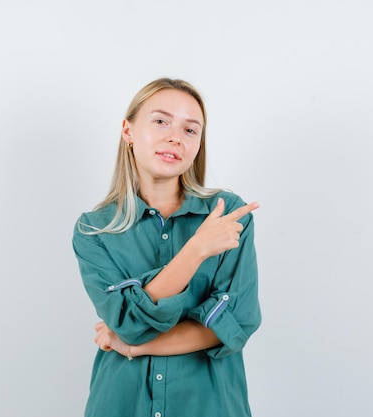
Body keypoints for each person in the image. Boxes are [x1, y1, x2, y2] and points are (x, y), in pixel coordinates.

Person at [72, 78, 261, 417]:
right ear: (128, 130)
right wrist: (196, 250)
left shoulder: (229, 214)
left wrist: (129, 346)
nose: (176, 136)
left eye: (191, 130)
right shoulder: (94, 230)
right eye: (161, 121)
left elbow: (234, 325)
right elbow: (129, 322)